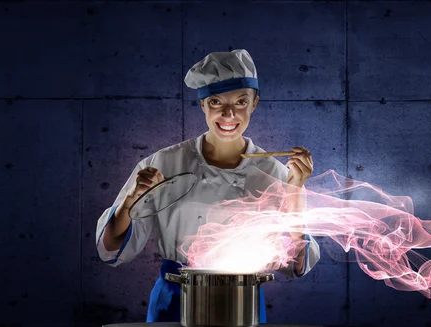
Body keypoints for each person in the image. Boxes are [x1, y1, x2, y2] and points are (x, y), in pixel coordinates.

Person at [95, 49, 321, 322]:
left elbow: (298, 264)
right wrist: (131, 201)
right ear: (202, 105)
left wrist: (295, 190)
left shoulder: (274, 172)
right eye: (216, 102)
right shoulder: (163, 163)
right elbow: (112, 249)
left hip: (243, 301)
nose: (228, 113)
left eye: (240, 102)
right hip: (176, 298)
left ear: (254, 104)